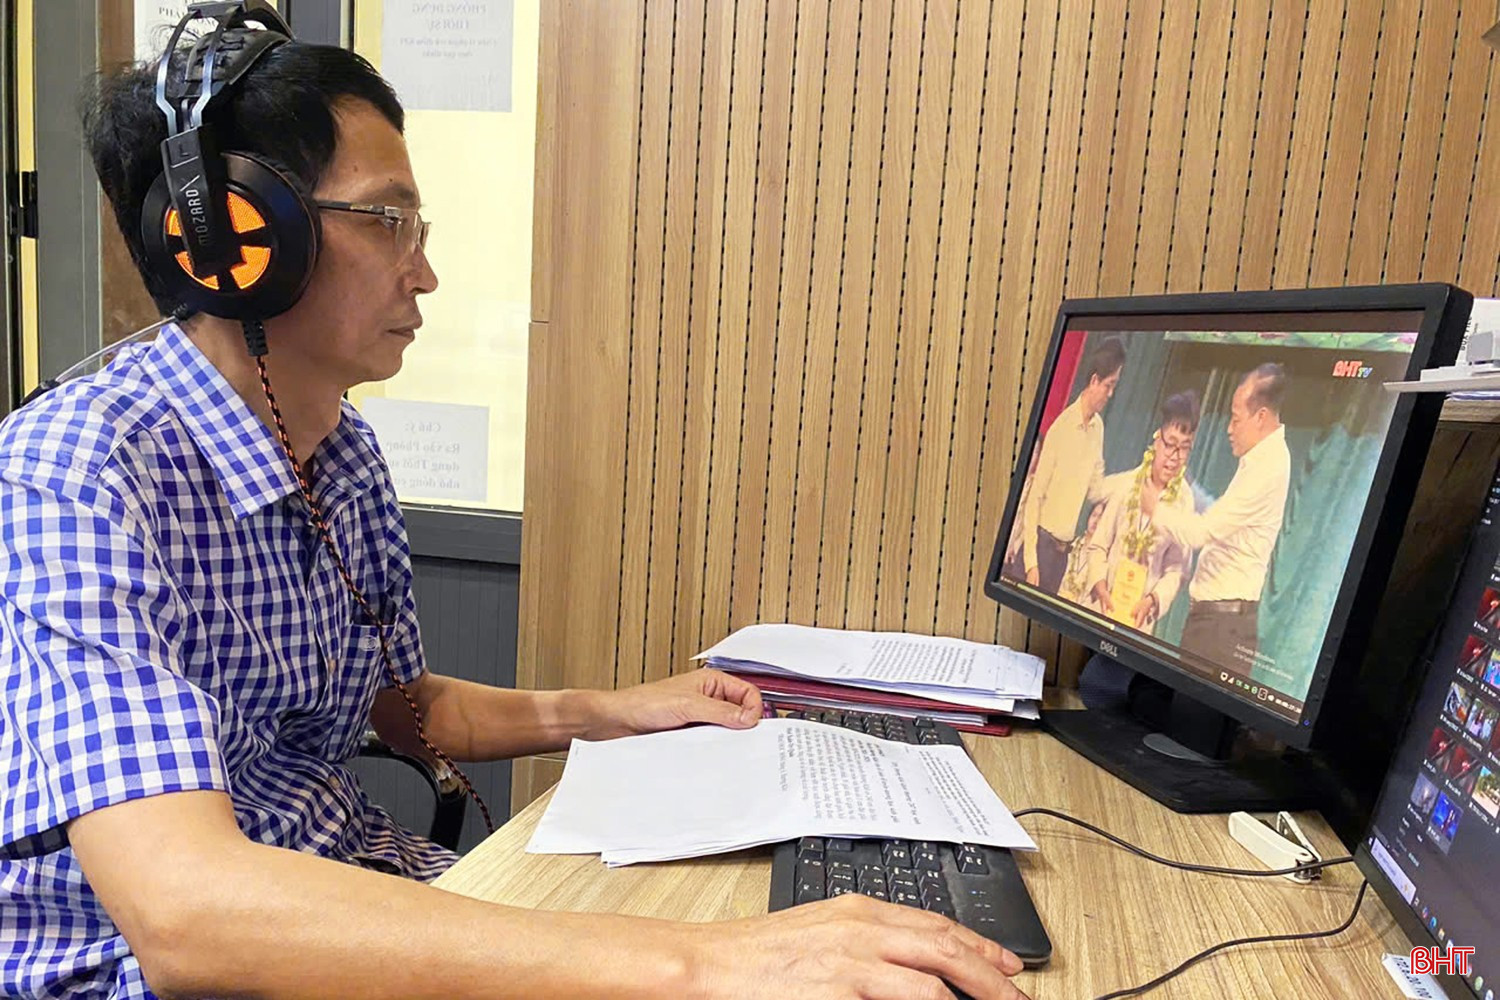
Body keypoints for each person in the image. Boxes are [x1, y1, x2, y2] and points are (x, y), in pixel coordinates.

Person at [0, 23, 1026, 1000]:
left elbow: (400, 708)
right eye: (388, 222)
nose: (425, 273)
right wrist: (701, 965)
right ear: (240, 239)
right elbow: (186, 917)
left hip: (357, 892)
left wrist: (612, 710)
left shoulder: (343, 455)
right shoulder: (74, 474)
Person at [1148, 364, 1291, 676]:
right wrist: (1187, 484)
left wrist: (1154, 509)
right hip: (1215, 623)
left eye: (1236, 419)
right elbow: (1220, 518)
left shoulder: (1267, 468)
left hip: (1221, 630)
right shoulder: (1260, 460)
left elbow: (1202, 532)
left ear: (1261, 417)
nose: (1229, 428)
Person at [1084, 391, 1200, 635]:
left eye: (1184, 448)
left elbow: (1176, 570)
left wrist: (1152, 600)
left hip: (1138, 622)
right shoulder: (1127, 483)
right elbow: (1099, 545)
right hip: (1100, 608)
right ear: (1157, 440)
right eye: (1170, 444)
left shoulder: (1184, 501)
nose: (1174, 456)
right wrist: (1100, 584)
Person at [1019, 338, 1126, 594]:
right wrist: (1031, 562)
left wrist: (1135, 479)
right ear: (1094, 381)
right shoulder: (1062, 427)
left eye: (1114, 386)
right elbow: (1035, 498)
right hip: (1041, 549)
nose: (1110, 394)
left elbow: (1096, 489)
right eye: (1108, 385)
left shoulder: (1098, 428)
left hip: (1062, 555)